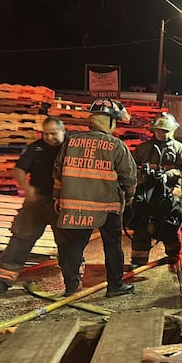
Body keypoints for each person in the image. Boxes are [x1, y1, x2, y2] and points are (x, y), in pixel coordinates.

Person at [53, 98, 137, 298]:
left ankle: (72, 287)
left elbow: (57, 172)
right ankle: (115, 286)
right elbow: (129, 176)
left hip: (74, 206)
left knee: (74, 245)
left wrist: (57, 197)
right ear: (109, 121)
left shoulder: (71, 142)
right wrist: (130, 196)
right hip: (106, 207)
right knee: (112, 246)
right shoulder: (116, 145)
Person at [0, 117, 67, 293]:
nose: (49, 138)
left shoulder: (72, 147)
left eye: (53, 134)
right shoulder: (36, 148)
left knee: (68, 242)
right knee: (21, 238)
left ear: (63, 130)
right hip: (37, 201)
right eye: (45, 134)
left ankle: (72, 280)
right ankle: (3, 279)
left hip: (63, 204)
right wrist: (27, 188)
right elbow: (19, 170)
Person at [128, 112, 182, 269]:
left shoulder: (178, 148)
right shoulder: (143, 149)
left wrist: (169, 175)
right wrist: (143, 174)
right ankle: (139, 259)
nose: (162, 133)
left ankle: (173, 252)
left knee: (170, 222)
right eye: (159, 130)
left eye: (166, 131)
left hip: (169, 191)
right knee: (141, 222)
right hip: (147, 191)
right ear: (153, 130)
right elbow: (131, 168)